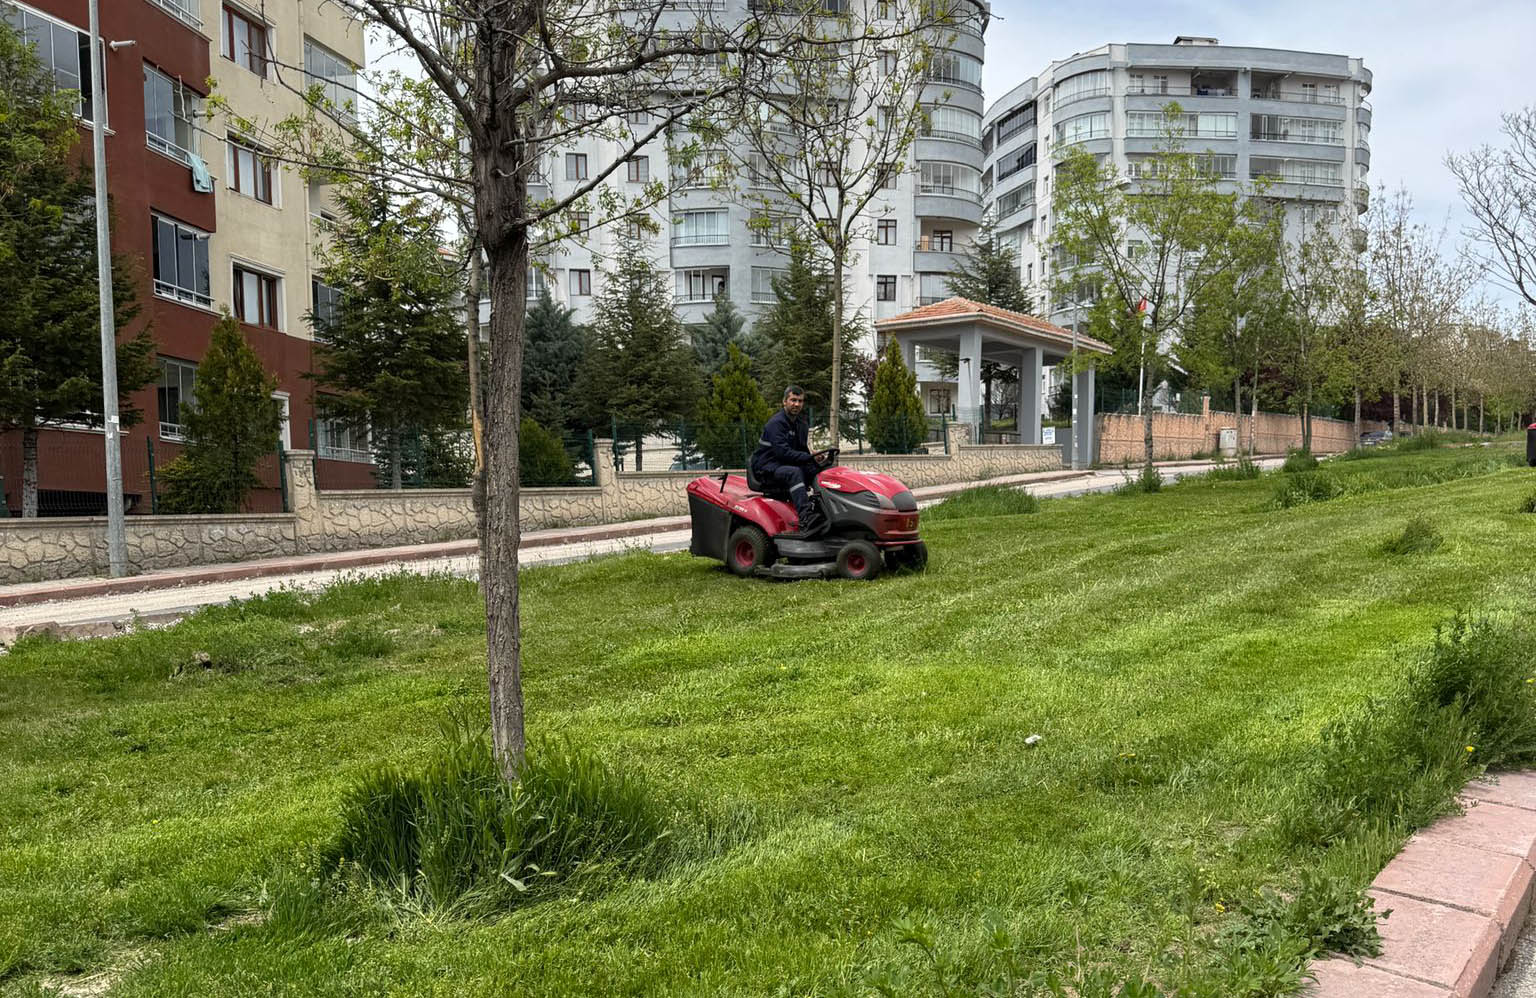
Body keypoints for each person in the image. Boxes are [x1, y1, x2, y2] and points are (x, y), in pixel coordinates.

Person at [751, 385, 831, 531]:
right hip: (767, 467)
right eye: (793, 400)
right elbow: (783, 453)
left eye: (800, 401)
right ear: (784, 402)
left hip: (784, 464)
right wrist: (809, 457)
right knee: (794, 473)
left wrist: (815, 457)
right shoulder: (776, 423)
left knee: (819, 469)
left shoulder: (802, 424)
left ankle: (827, 510)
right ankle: (806, 517)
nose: (797, 404)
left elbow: (801, 450)